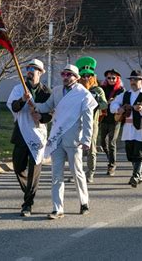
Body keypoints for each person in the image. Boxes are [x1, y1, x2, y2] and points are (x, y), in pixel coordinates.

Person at [30, 64, 97, 219]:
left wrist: (86, 139)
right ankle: (57, 208)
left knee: (77, 173)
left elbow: (88, 120)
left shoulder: (84, 94)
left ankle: (84, 202)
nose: (66, 77)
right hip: (57, 139)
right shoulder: (57, 90)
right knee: (56, 175)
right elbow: (47, 106)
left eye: (69, 74)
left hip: (74, 141)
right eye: (63, 74)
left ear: (76, 77)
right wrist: (32, 104)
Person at [6, 59, 52, 217]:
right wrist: (22, 100)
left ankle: (27, 204)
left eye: (34, 68)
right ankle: (29, 191)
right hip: (21, 134)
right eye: (28, 68)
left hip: (38, 136)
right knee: (18, 167)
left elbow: (51, 114)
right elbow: (13, 107)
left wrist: (41, 116)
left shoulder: (46, 92)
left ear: (40, 72)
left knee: (34, 171)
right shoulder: (19, 89)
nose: (30, 71)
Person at [110, 70, 142, 187]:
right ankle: (139, 174)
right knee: (130, 154)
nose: (133, 82)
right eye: (131, 80)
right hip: (128, 127)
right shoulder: (125, 94)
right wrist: (118, 109)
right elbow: (113, 105)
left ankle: (135, 176)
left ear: (141, 81)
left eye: (135, 80)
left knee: (139, 152)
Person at [76, 57, 108, 183]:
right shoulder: (76, 90)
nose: (86, 78)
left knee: (91, 148)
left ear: (93, 77)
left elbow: (105, 105)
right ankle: (77, 172)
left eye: (89, 76)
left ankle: (90, 172)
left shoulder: (98, 90)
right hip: (77, 123)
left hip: (92, 123)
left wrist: (94, 101)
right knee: (76, 150)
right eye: (83, 76)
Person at [100, 68, 125, 176]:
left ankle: (112, 165)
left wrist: (115, 104)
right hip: (104, 118)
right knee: (102, 142)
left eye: (113, 78)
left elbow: (124, 103)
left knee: (111, 142)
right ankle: (111, 158)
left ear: (117, 79)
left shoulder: (121, 90)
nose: (111, 80)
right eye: (109, 78)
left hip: (115, 119)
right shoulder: (102, 88)